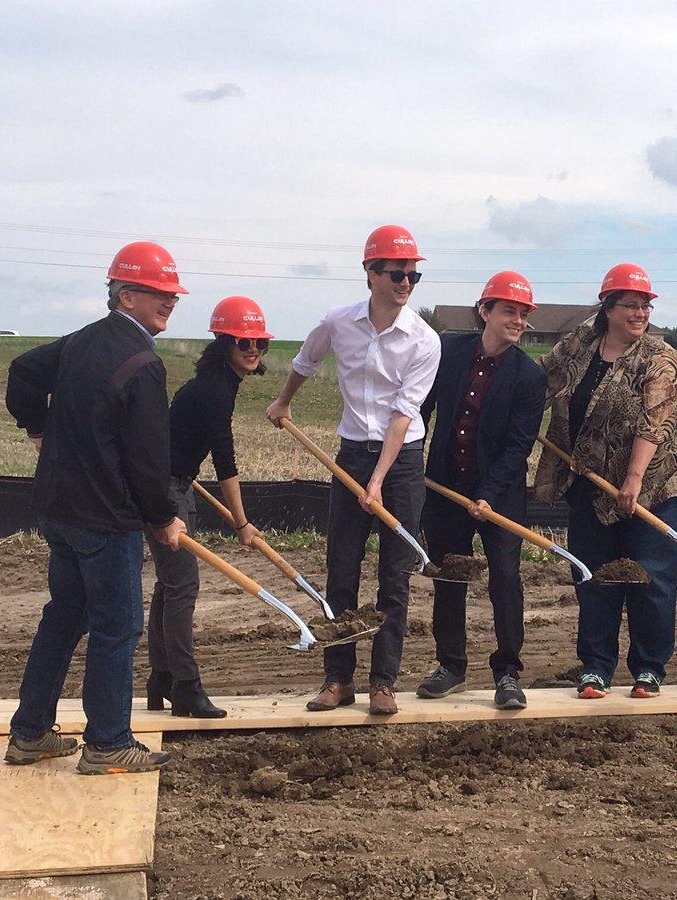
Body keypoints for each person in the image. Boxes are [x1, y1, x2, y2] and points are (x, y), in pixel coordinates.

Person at [3, 241, 187, 774]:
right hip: (105, 521)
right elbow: (150, 458)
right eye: (160, 293)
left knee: (64, 617)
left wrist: (35, 426)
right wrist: (161, 516)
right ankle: (107, 742)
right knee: (117, 627)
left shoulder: (81, 342)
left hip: (59, 511)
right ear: (126, 295)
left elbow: (21, 371)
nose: (170, 302)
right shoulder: (143, 363)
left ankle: (29, 733)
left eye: (173, 294)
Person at [267, 225, 440, 716]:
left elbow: (405, 412)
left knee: (395, 575)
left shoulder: (424, 341)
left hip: (401, 461)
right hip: (350, 455)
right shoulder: (338, 322)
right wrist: (282, 401)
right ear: (370, 273)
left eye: (414, 274)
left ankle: (382, 683)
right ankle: (337, 679)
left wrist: (380, 480)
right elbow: (306, 359)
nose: (406, 282)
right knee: (341, 568)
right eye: (397, 272)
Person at [534, 263, 677, 700]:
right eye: (631, 305)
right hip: (589, 484)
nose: (641, 312)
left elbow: (654, 423)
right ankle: (596, 667)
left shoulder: (660, 358)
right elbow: (540, 379)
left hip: (652, 489)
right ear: (608, 307)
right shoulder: (580, 346)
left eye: (645, 305)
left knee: (651, 579)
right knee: (595, 578)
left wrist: (634, 481)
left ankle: (648, 668)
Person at [416, 271, 547, 710]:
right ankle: (450, 666)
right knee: (450, 575)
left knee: (505, 580)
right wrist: (409, 459)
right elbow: (421, 409)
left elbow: (517, 446)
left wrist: (488, 494)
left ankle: (507, 672)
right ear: (485, 310)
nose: (518, 320)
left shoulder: (529, 377)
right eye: (509, 310)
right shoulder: (448, 351)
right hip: (444, 487)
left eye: (524, 313)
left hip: (500, 494)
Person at [145, 296, 272, 719]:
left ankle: (162, 680)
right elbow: (226, 461)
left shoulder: (214, 383)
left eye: (259, 343)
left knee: (169, 586)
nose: (252, 349)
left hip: (175, 482)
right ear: (223, 342)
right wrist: (242, 524)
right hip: (166, 490)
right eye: (243, 341)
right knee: (182, 588)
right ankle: (186, 688)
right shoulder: (216, 390)